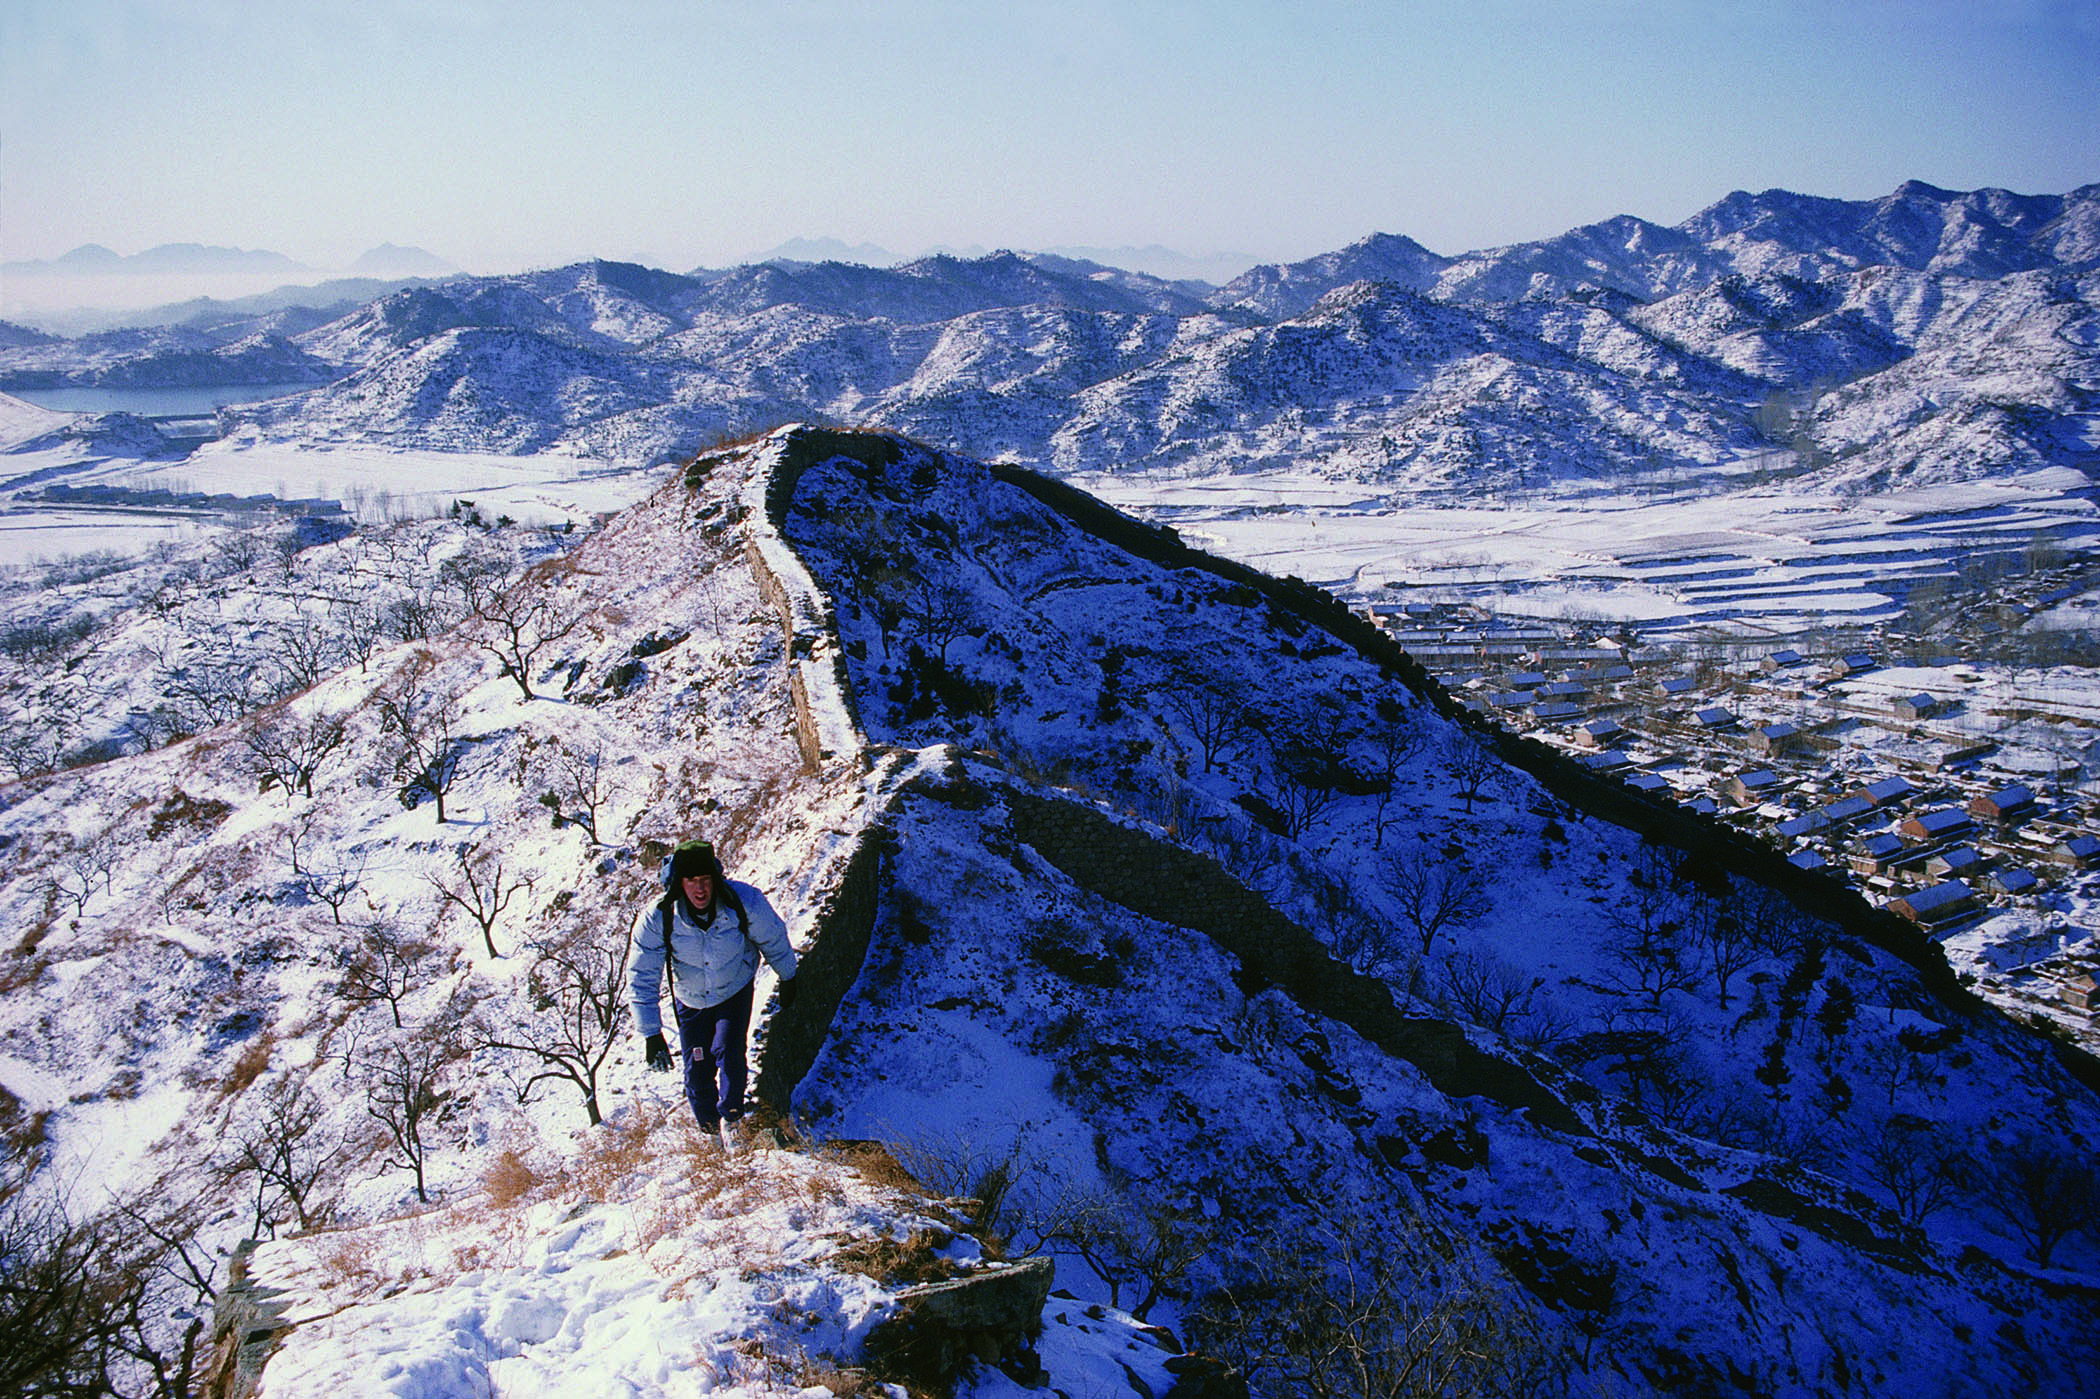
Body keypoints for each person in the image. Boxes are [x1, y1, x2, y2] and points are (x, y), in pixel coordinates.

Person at [630, 838, 798, 1143]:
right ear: (679, 883)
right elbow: (643, 973)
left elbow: (772, 936)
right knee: (697, 1068)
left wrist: (788, 976)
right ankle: (709, 1130)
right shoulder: (659, 916)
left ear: (715, 878)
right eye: (691, 880)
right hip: (691, 999)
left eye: (705, 879)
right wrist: (651, 1032)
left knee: (729, 1051)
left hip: (734, 988)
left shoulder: (741, 901)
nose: (700, 889)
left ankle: (732, 1121)